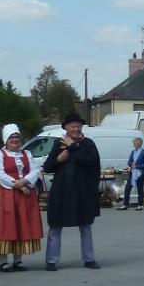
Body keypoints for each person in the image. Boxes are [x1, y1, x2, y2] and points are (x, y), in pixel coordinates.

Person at [43, 113, 101, 271]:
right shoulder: (58, 144)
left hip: (83, 191)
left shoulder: (88, 144)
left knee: (85, 226)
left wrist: (74, 146)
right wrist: (58, 160)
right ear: (66, 128)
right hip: (62, 191)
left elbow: (91, 162)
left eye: (78, 126)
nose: (76, 129)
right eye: (73, 126)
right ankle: (51, 260)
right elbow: (47, 167)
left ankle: (89, 259)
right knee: (55, 225)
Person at [0, 124, 43, 272]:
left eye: (17, 137)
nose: (15, 140)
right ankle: (3, 261)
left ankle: (18, 260)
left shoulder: (27, 153)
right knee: (6, 225)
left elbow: (35, 170)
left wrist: (25, 182)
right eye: (11, 137)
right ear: (6, 139)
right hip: (5, 193)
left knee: (22, 224)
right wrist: (18, 185)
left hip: (24, 193)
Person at [117, 137, 144, 211]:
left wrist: (137, 166)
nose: (134, 144)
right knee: (127, 189)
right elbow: (129, 162)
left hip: (140, 174)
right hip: (132, 173)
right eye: (134, 143)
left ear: (140, 143)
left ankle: (140, 205)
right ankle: (125, 204)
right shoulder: (133, 152)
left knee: (140, 190)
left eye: (135, 143)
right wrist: (131, 164)